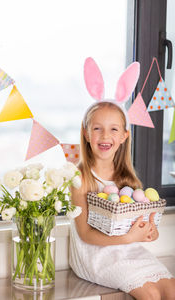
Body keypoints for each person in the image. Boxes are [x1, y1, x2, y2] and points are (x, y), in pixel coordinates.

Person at [69, 58, 175, 300]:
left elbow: (138, 224)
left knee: (171, 289)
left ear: (125, 136)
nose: (105, 135)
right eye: (97, 128)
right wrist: (129, 237)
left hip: (128, 249)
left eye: (114, 129)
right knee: (150, 294)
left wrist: (149, 232)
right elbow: (85, 234)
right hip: (95, 255)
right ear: (86, 133)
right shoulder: (80, 177)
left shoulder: (127, 178)